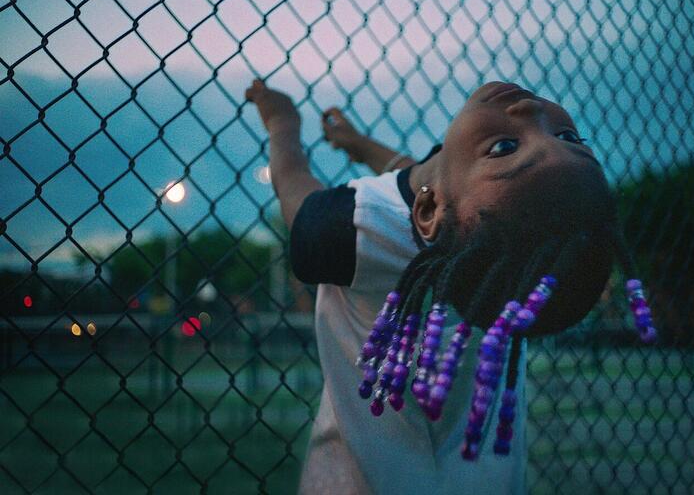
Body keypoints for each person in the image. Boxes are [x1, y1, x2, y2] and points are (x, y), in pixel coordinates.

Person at [245, 79, 655, 495]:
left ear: (428, 211)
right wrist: (361, 146)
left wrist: (282, 122)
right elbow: (423, 176)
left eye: (504, 149)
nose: (532, 113)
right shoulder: (501, 252)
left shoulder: (354, 230)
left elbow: (294, 185)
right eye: (569, 137)